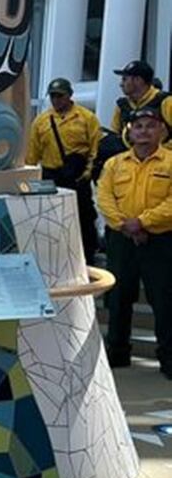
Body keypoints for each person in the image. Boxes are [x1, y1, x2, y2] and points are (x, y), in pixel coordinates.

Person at [96, 108, 172, 378]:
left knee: (164, 300)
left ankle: (168, 359)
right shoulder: (114, 164)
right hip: (122, 240)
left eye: (150, 126)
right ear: (129, 131)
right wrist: (124, 226)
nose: (144, 131)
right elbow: (104, 198)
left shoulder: (170, 162)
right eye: (138, 126)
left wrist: (142, 222)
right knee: (118, 298)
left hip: (160, 241)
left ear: (161, 130)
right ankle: (117, 353)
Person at [25, 77, 101, 265]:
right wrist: (29, 181)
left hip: (77, 175)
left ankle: (87, 257)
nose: (56, 100)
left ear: (69, 96)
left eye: (60, 96)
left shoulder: (86, 118)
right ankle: (54, 257)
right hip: (51, 176)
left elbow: (95, 148)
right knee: (50, 217)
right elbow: (32, 154)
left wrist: (88, 173)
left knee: (84, 217)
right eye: (53, 96)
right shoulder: (41, 121)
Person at [109, 60, 172, 137]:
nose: (121, 84)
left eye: (125, 79)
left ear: (138, 80)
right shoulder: (122, 105)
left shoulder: (166, 102)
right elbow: (113, 135)